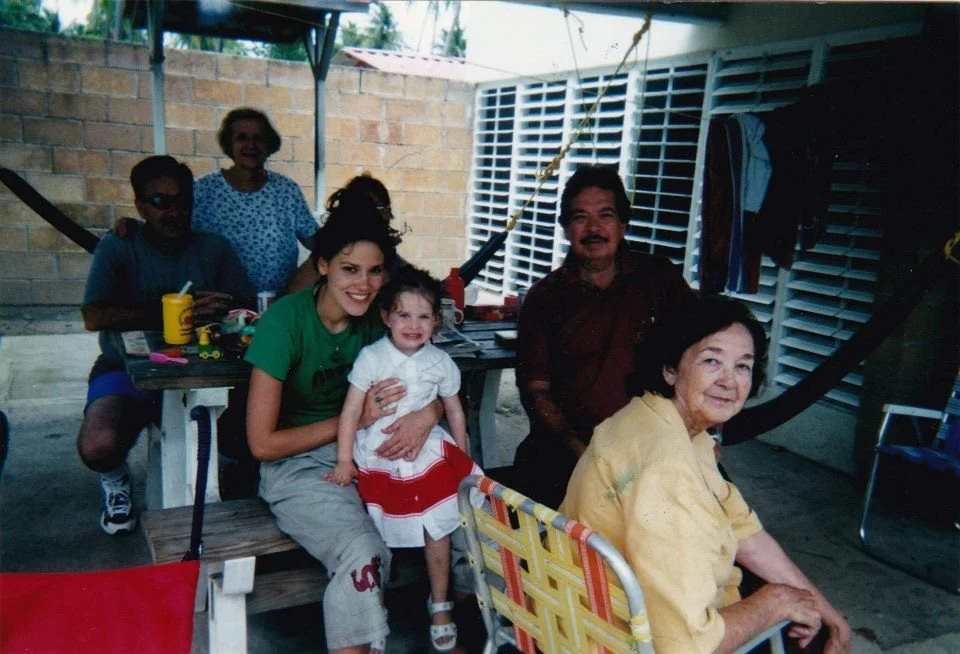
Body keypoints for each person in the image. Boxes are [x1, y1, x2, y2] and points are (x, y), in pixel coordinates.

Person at [560, 296, 851, 654]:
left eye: (742, 366)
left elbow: (745, 531)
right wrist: (774, 601)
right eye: (711, 361)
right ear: (670, 368)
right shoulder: (668, 466)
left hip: (579, 616)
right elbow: (686, 646)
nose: (729, 381)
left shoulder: (659, 422)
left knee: (808, 619)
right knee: (805, 639)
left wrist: (825, 608)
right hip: (616, 640)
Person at [244, 193, 444, 654]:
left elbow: (442, 378)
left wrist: (427, 413)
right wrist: (353, 420)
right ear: (322, 266)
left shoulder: (379, 320)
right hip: (299, 463)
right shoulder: (284, 323)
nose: (364, 284)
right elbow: (262, 444)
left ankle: (465, 627)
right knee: (364, 553)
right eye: (350, 269)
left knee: (465, 515)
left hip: (372, 449)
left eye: (375, 271)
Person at [78, 155, 255, 535]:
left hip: (206, 373)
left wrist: (226, 311)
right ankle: (115, 481)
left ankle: (214, 484)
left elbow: (245, 307)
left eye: (182, 201)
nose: (174, 211)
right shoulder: (119, 246)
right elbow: (94, 315)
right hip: (126, 369)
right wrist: (176, 311)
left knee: (254, 437)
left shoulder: (214, 248)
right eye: (160, 202)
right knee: (98, 445)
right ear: (140, 205)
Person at [513, 164, 694, 508]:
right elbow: (536, 391)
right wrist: (583, 452)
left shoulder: (661, 278)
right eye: (580, 217)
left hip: (654, 441)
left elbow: (701, 351)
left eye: (606, 215)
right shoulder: (544, 298)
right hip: (569, 448)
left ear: (622, 224)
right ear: (566, 228)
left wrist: (701, 432)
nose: (593, 228)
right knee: (548, 547)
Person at [326, 265, 481, 652]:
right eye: (404, 315)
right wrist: (345, 460)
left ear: (437, 321)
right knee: (377, 534)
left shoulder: (440, 363)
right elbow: (350, 412)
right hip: (381, 456)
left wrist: (461, 458)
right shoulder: (372, 358)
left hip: (427, 456)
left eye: (424, 316)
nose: (413, 325)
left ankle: (440, 603)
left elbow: (455, 411)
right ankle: (373, 615)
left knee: (437, 524)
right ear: (386, 317)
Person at [192, 107, 319, 294]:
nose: (251, 145)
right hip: (218, 308)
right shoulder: (203, 190)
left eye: (258, 138)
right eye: (241, 137)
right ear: (229, 144)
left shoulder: (287, 191)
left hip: (276, 308)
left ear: (269, 145)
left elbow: (318, 242)